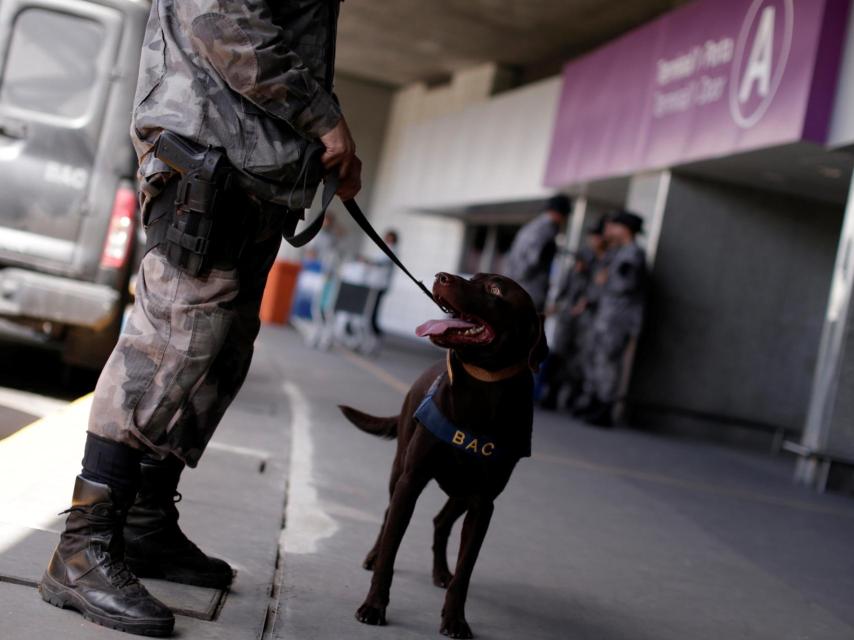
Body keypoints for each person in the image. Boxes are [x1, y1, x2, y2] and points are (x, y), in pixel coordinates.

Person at [38, 2, 360, 636]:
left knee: (218, 354)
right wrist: (325, 120)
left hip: (259, 171)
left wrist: (317, 141)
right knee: (167, 346)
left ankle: (144, 522)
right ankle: (81, 548)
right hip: (208, 150)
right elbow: (221, 19)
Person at [580, 210, 646, 427]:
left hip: (618, 320)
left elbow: (626, 285)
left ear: (625, 229)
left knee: (608, 362)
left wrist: (606, 279)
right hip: (608, 317)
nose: (611, 229)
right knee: (600, 360)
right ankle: (597, 402)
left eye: (616, 225)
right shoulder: (620, 252)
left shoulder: (633, 254)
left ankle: (605, 407)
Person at [539, 218, 607, 410]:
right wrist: (556, 303)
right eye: (592, 236)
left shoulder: (604, 259)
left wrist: (587, 300)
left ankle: (572, 397)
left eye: (597, 236)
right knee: (559, 353)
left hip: (587, 318)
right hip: (568, 314)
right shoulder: (582, 255)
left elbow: (599, 288)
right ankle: (551, 393)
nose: (593, 240)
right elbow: (567, 282)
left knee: (579, 360)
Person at [505, 194, 572, 312]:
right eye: (565, 215)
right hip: (527, 292)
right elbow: (530, 263)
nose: (565, 220)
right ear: (558, 213)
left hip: (518, 289)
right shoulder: (545, 230)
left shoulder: (535, 226)